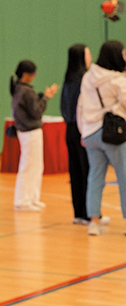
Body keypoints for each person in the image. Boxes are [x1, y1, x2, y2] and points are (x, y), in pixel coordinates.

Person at [76, 40, 126, 236]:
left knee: (95, 177)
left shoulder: (88, 77)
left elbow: (80, 106)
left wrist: (83, 132)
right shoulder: (118, 80)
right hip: (112, 134)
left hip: (90, 133)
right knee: (123, 176)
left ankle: (94, 222)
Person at [11, 60, 58, 211]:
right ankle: (22, 201)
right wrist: (46, 97)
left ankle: (32, 198)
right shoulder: (26, 91)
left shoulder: (20, 89)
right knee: (29, 166)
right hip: (30, 132)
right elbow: (37, 111)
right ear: (26, 75)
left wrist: (43, 96)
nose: (34, 76)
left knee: (36, 166)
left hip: (27, 131)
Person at [60, 44, 92, 224]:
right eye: (87, 54)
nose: (90, 57)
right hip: (82, 129)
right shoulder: (84, 79)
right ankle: (90, 213)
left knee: (75, 171)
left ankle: (79, 213)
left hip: (69, 129)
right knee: (87, 170)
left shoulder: (68, 79)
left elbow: (63, 107)